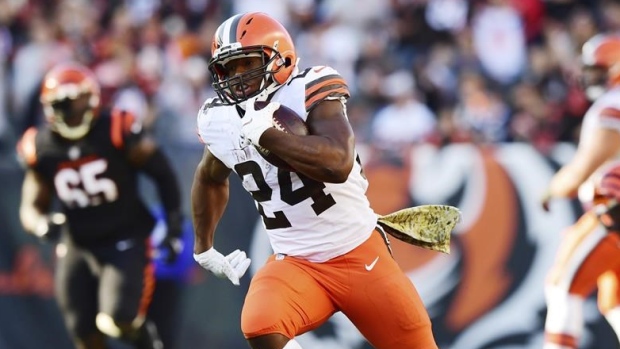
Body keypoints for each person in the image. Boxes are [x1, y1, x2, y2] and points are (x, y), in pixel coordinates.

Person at [191, 12, 438, 349]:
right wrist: (203, 247)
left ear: (280, 57)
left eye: (246, 63)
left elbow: (337, 163)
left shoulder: (308, 88)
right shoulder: (218, 118)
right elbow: (209, 177)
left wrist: (269, 136)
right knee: (261, 324)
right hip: (295, 260)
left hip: (358, 252)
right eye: (229, 68)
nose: (238, 77)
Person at [17, 62, 183, 349]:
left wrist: (173, 223)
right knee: (83, 332)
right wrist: (40, 224)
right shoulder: (41, 146)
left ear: (91, 100)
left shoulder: (116, 129)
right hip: (78, 244)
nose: (67, 112)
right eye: (59, 105)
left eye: (72, 103)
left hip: (125, 239)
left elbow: (163, 173)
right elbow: (30, 206)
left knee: (117, 319)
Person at [541, 33, 620, 348]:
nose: (590, 77)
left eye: (597, 69)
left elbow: (580, 173)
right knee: (614, 302)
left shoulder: (612, 106)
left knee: (562, 286)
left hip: (613, 213)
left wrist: (551, 189)